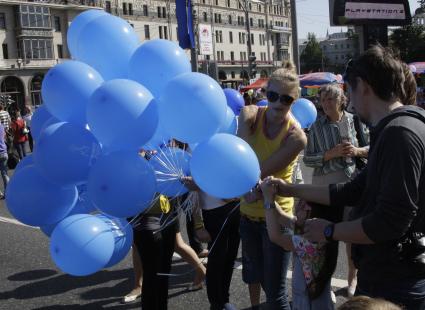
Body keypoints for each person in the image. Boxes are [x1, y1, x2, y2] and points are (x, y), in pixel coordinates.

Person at [263, 45, 425, 309]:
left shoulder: (399, 133)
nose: (347, 99)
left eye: (348, 90)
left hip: (393, 282)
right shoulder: (402, 125)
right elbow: (351, 190)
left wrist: (329, 230)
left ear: (364, 86)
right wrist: (289, 189)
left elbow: (390, 222)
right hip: (392, 274)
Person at [237, 61, 307, 310]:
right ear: (265, 93)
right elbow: (240, 160)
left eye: (286, 99)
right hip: (248, 218)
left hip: (276, 219)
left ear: (295, 100)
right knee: (258, 280)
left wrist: (247, 188)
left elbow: (257, 171)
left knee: (276, 296)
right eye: (273, 95)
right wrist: (246, 188)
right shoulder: (249, 115)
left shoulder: (296, 136)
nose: (278, 103)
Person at [303, 84, 369, 297]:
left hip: (351, 182)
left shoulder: (354, 120)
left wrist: (357, 151)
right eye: (323, 100)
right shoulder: (316, 126)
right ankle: (324, 284)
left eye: (330, 99)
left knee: (351, 236)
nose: (326, 104)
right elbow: (308, 159)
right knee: (324, 236)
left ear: (342, 101)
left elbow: (371, 148)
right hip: (325, 185)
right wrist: (329, 155)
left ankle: (352, 280)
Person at [260, 177, 343, 309]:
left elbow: (276, 237)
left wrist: (269, 201)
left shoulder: (311, 242)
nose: (298, 204)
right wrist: (265, 195)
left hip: (311, 305)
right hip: (308, 298)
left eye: (304, 205)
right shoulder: (310, 228)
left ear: (314, 214)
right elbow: (281, 216)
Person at [182, 177, 240, 310]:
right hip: (213, 212)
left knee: (230, 258)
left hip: (236, 206)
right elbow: (193, 191)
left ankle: (225, 300)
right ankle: (216, 304)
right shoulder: (199, 157)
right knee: (217, 261)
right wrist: (198, 225)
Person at [0, 122, 9, 199]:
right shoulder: (1, 126)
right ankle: (8, 192)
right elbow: (4, 137)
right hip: (4, 152)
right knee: (5, 174)